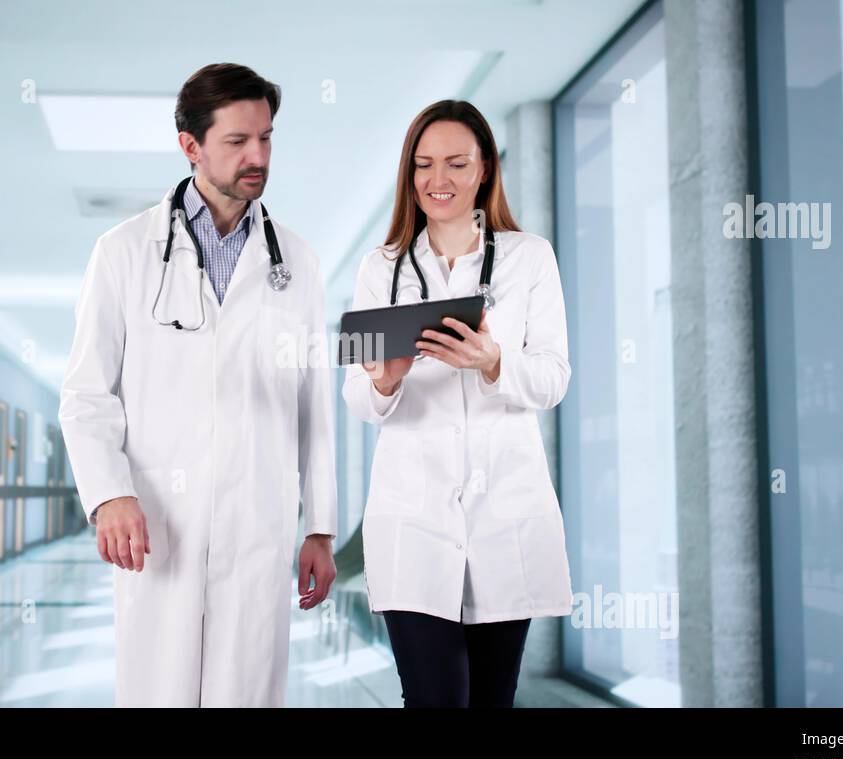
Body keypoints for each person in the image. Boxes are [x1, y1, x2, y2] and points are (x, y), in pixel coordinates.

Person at [59, 63, 338, 707]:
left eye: (266, 138)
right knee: (160, 693)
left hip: (257, 524)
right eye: (238, 141)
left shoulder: (296, 262)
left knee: (247, 694)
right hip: (160, 525)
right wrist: (108, 496)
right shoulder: (124, 252)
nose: (257, 157)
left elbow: (312, 406)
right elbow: (87, 395)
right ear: (191, 147)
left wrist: (320, 526)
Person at [341, 100, 572, 708]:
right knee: (434, 698)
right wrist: (386, 379)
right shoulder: (380, 269)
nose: (436, 180)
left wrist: (493, 360)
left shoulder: (529, 258)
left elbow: (553, 379)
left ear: (485, 168)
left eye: (454, 163)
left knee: (492, 700)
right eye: (422, 165)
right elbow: (357, 398)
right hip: (413, 522)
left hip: (505, 513)